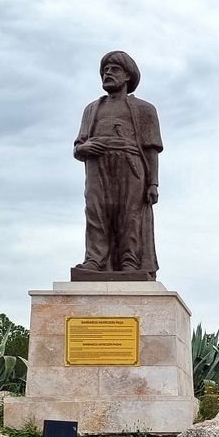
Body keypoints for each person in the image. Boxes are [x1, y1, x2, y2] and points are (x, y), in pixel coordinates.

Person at [72, 51, 162, 279]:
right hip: (97, 164)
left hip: (130, 164)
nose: (107, 73)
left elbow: (151, 148)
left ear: (128, 76)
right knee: (95, 211)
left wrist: (153, 183)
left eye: (114, 69)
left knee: (130, 215)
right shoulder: (92, 109)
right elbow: (78, 146)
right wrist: (84, 148)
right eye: (104, 70)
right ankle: (95, 260)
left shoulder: (145, 109)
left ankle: (129, 262)